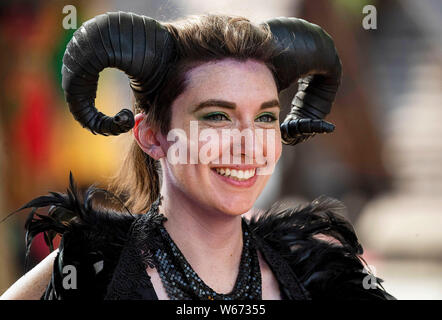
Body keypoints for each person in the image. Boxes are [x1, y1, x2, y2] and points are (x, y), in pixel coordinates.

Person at [1, 12, 394, 300]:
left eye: (265, 117)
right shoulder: (86, 274)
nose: (249, 144)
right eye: (217, 116)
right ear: (152, 136)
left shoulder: (323, 274)